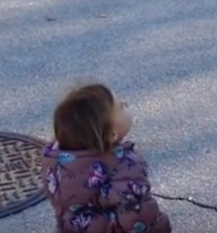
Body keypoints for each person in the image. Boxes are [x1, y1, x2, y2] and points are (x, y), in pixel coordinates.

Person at [42, 83, 171, 233]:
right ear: (111, 134)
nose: (126, 104)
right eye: (121, 107)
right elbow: (136, 213)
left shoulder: (56, 162)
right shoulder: (125, 165)